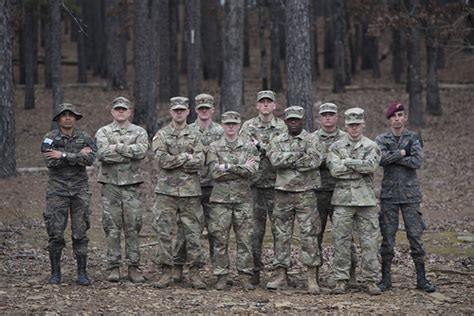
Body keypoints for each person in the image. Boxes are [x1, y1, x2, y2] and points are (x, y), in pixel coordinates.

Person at [375, 101, 435, 293]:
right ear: (389, 119)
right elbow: (380, 159)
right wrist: (402, 152)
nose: (397, 119)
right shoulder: (382, 138)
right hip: (389, 195)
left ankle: (421, 279)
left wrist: (393, 157)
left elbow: (416, 161)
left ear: (405, 117)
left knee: (415, 237)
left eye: (400, 115)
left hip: (410, 195)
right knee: (387, 238)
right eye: (394, 116)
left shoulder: (414, 137)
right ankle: (385, 279)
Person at [151, 96, 206, 289]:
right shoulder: (162, 135)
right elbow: (161, 161)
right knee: (164, 231)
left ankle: (195, 272)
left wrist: (175, 159)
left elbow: (200, 161)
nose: (179, 113)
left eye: (182, 110)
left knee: (193, 233)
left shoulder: (197, 135)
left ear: (188, 111)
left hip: (190, 192)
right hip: (166, 192)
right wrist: (185, 157)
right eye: (176, 110)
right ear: (171, 112)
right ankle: (166, 271)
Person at [266, 106, 322, 294]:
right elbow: (274, 161)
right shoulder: (277, 139)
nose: (293, 122)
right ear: (286, 121)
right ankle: (281, 275)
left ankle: (311, 277)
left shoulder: (312, 139)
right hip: (282, 193)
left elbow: (314, 160)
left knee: (309, 235)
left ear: (302, 120)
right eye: (290, 120)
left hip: (306, 193)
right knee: (281, 235)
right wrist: (299, 156)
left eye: (296, 119)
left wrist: (287, 159)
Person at [327, 107, 382, 295]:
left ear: (363, 124)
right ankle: (341, 279)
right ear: (346, 125)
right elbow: (334, 171)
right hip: (342, 200)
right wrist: (358, 166)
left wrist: (347, 162)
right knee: (340, 241)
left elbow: (371, 166)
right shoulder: (335, 146)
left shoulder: (372, 146)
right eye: (351, 125)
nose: (354, 128)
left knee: (369, 242)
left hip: (366, 201)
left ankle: (371, 280)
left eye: (357, 124)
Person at [41, 103, 96, 286]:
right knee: (55, 232)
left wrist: (63, 155)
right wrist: (76, 156)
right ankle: (55, 273)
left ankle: (82, 272)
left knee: (80, 231)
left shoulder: (85, 137)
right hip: (57, 190)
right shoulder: (49, 138)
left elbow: (89, 160)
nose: (67, 118)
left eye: (71, 115)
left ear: (75, 118)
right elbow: (51, 163)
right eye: (63, 115)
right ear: (57, 119)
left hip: (80, 190)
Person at [95, 97, 149, 283]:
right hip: (110, 186)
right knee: (112, 226)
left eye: (123, 109)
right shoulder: (103, 131)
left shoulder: (139, 131)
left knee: (133, 226)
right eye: (117, 109)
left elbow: (141, 152)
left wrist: (116, 147)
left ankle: (133, 267)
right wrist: (127, 153)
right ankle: (114, 266)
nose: (120, 112)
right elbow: (102, 154)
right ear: (112, 112)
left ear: (129, 112)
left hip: (132, 186)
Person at [173, 94, 224, 283]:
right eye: (200, 108)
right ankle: (178, 266)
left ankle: (217, 271)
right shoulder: (187, 130)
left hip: (215, 187)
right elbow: (178, 156)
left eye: (207, 108)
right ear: (195, 110)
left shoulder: (221, 130)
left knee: (216, 230)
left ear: (213, 110)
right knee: (185, 229)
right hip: (189, 185)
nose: (204, 111)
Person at [207, 111, 259, 290]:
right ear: (222, 125)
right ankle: (221, 276)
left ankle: (245, 276)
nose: (230, 126)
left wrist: (228, 167)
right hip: (220, 200)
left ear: (239, 125)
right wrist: (240, 169)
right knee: (220, 239)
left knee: (245, 239)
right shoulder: (214, 146)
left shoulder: (249, 146)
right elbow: (214, 173)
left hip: (243, 199)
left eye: (234, 123)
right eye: (227, 123)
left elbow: (253, 171)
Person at [239, 90, 287, 286]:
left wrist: (261, 148)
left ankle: (280, 273)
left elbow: (282, 153)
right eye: (262, 102)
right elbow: (244, 151)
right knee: (255, 231)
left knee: (279, 231)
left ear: (275, 106)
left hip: (278, 186)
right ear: (257, 106)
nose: (266, 105)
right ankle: (254, 271)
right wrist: (267, 151)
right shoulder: (248, 126)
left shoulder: (282, 127)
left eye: (269, 102)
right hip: (255, 186)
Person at [312, 103, 358, 285]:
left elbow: (354, 162)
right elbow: (311, 161)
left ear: (337, 117)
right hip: (317, 192)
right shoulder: (312, 138)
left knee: (344, 235)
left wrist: (332, 162)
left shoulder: (347, 137)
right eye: (324, 115)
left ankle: (350, 273)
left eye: (331, 114)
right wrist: (335, 161)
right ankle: (313, 275)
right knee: (315, 235)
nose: (328, 118)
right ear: (320, 118)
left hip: (342, 192)